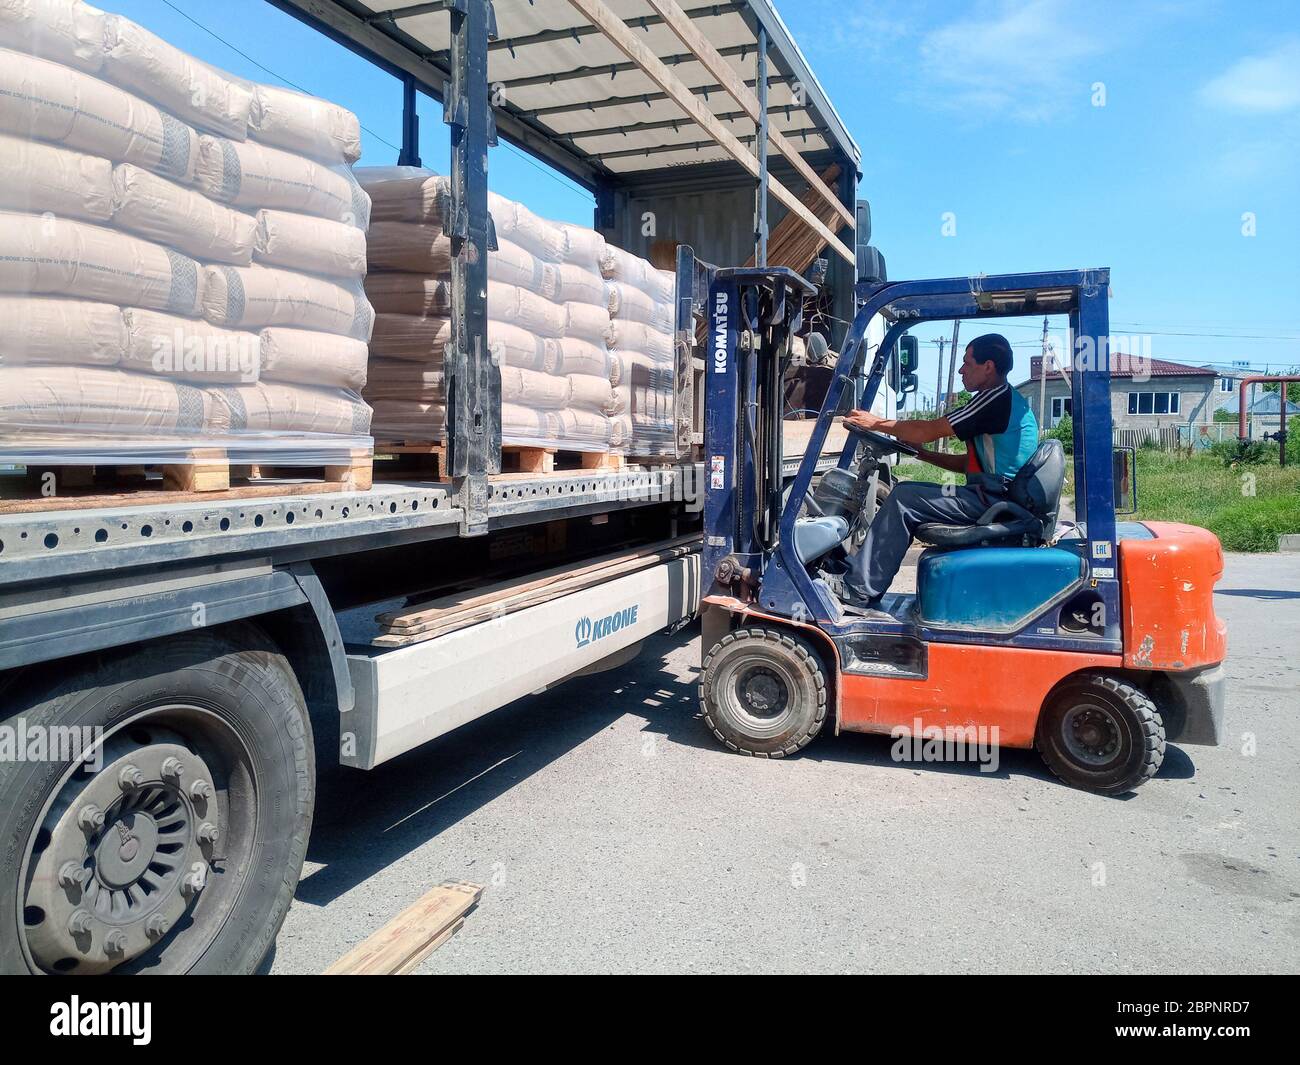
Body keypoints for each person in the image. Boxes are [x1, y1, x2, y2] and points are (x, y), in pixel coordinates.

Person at [840, 333, 1039, 606]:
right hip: (995, 496)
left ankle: (858, 589)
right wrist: (923, 454)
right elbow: (967, 464)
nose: (961, 370)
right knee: (908, 494)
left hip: (996, 500)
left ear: (988, 367)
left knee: (903, 499)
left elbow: (928, 429)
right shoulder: (1004, 401)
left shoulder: (994, 399)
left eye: (967, 363)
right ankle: (861, 578)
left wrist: (874, 423)